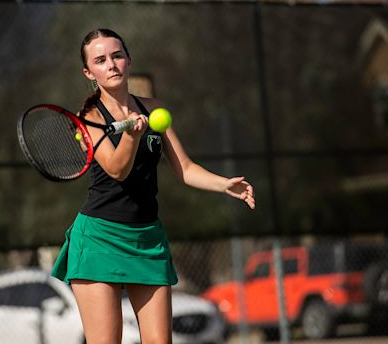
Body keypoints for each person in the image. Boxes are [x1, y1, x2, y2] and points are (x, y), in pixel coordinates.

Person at [51, 28, 255, 344]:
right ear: (89, 72)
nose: (112, 64)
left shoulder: (154, 108)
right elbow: (117, 169)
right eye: (101, 60)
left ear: (129, 60)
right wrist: (131, 135)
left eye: (117, 56)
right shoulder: (89, 118)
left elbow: (185, 168)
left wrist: (224, 184)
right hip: (99, 239)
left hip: (148, 239)